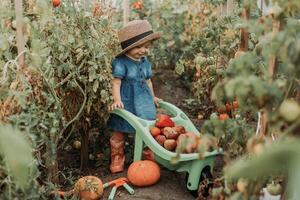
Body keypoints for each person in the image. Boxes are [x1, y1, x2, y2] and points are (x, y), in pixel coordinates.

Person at [107, 20, 161, 173]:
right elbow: (116, 82)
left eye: (146, 47)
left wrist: (153, 97)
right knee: (119, 129)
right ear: (128, 48)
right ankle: (117, 156)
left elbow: (148, 81)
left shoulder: (145, 62)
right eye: (138, 47)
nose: (143, 50)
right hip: (127, 100)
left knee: (147, 127)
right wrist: (117, 100)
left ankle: (147, 154)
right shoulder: (121, 62)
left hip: (143, 100)